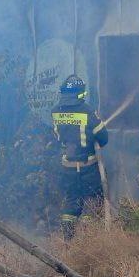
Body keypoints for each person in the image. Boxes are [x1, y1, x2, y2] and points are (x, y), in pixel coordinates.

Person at [50, 75, 108, 239]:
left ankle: (68, 240)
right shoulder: (87, 111)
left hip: (67, 167)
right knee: (93, 200)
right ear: (81, 94)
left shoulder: (55, 111)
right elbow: (103, 138)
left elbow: (58, 136)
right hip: (88, 167)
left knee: (71, 202)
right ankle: (89, 240)